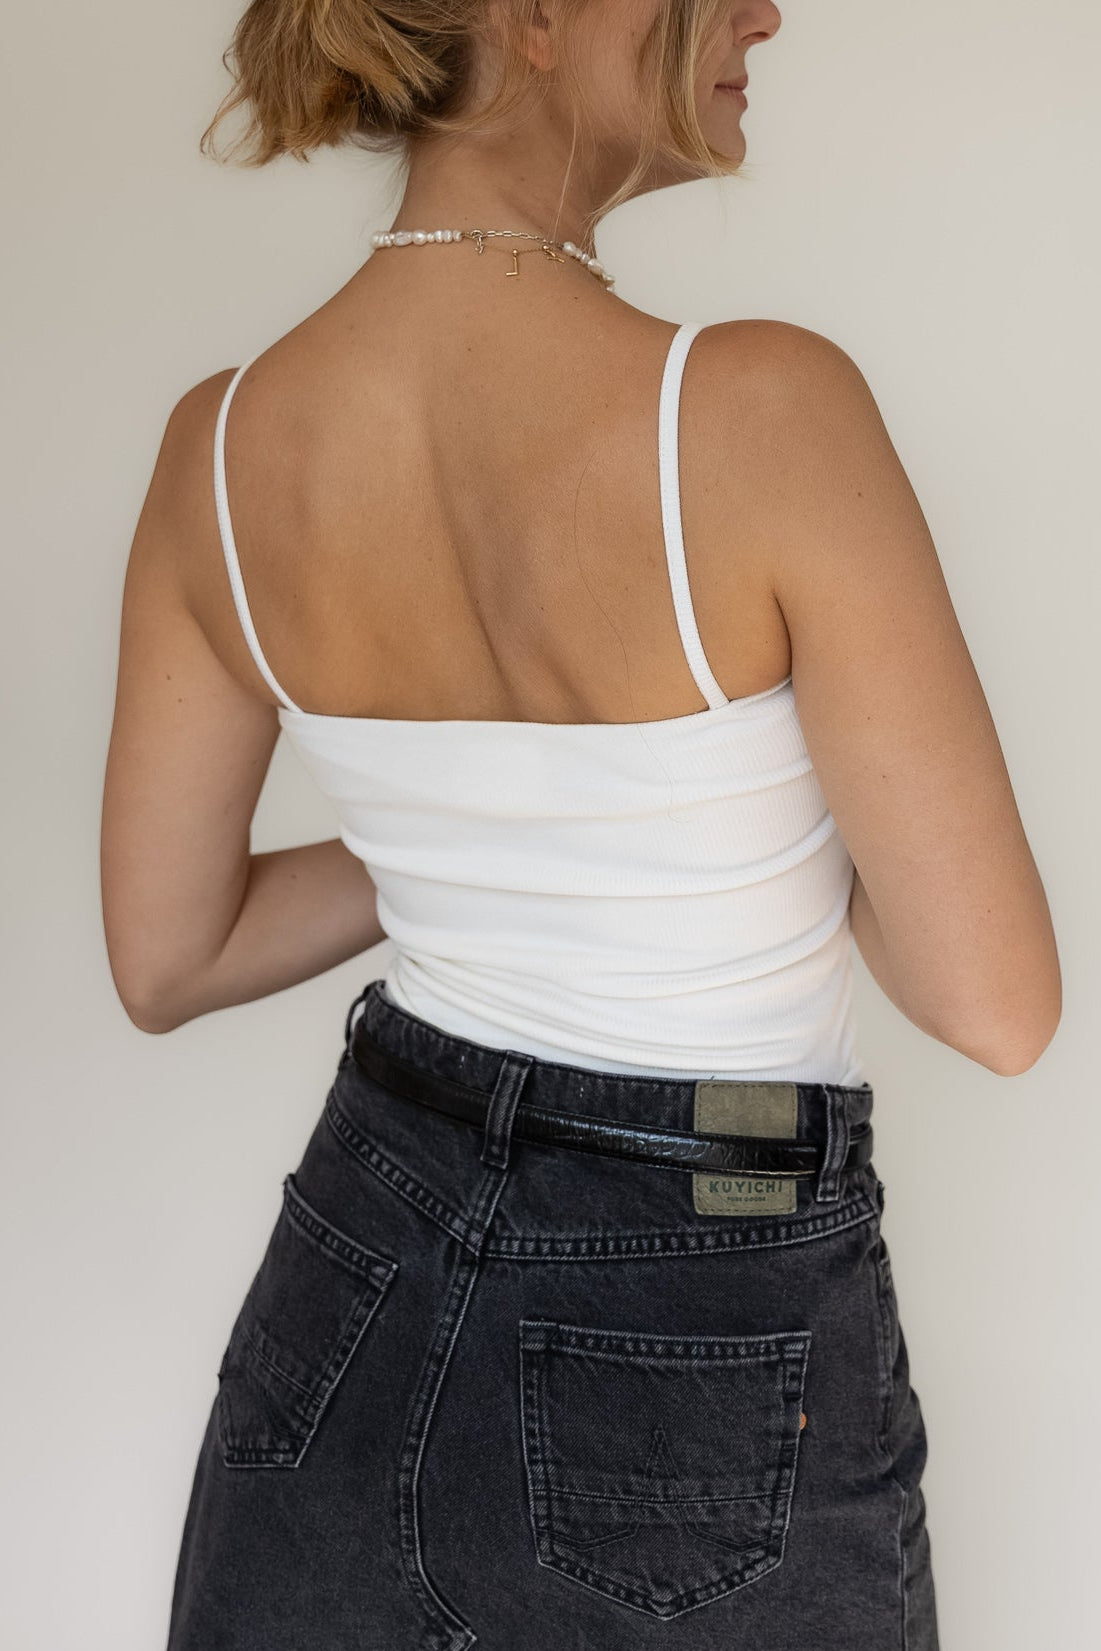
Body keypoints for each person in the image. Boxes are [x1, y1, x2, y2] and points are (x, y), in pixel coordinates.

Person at [100, 2, 1061, 1647]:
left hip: (356, 1256)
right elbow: (996, 1007)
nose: (762, 10)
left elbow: (170, 955)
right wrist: (717, 815)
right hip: (703, 1290)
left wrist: (462, 843)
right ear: (534, 17)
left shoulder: (222, 444)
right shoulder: (756, 408)